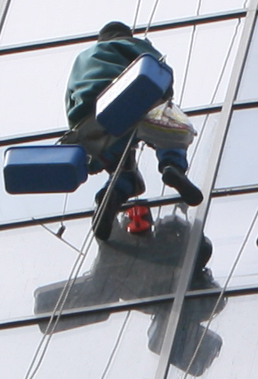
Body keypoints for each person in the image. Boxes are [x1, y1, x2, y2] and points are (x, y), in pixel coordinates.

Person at [63, 21, 201, 231]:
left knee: (122, 168)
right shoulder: (129, 44)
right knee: (172, 129)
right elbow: (158, 68)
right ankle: (172, 165)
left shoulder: (80, 59)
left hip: (92, 122)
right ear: (124, 35)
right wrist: (165, 98)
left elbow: (70, 99)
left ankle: (113, 194)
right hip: (130, 101)